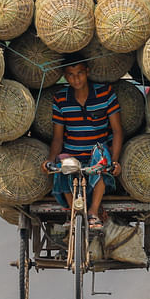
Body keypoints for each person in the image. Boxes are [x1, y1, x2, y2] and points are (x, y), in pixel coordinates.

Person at [41, 54, 124, 230]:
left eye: (79, 73)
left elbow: (117, 131)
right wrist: (50, 159)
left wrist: (115, 161)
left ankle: (93, 212)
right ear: (65, 76)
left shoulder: (105, 93)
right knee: (62, 165)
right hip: (73, 154)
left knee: (101, 157)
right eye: (70, 75)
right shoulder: (61, 98)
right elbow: (58, 138)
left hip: (96, 153)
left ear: (87, 72)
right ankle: (73, 213)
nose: (76, 78)